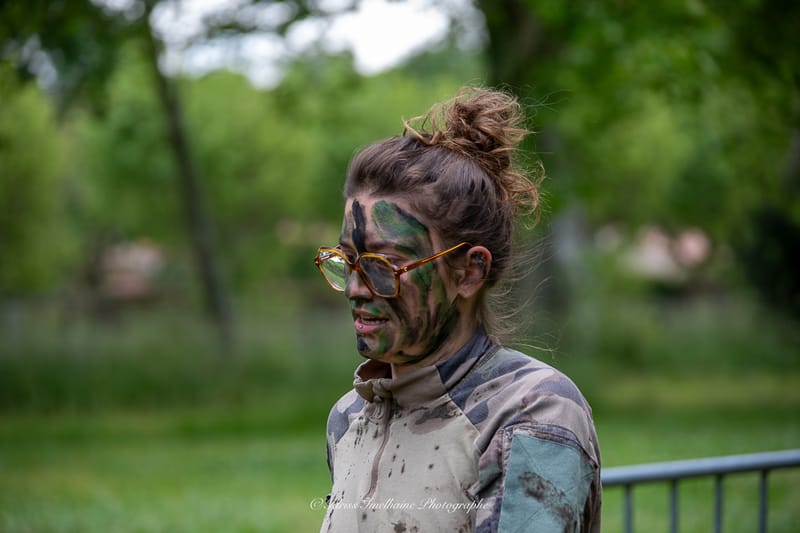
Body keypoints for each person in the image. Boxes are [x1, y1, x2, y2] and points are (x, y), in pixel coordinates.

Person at [313, 86, 601, 532]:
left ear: (468, 272)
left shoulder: (532, 412)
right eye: (347, 261)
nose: (355, 288)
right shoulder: (349, 417)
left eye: (384, 265)